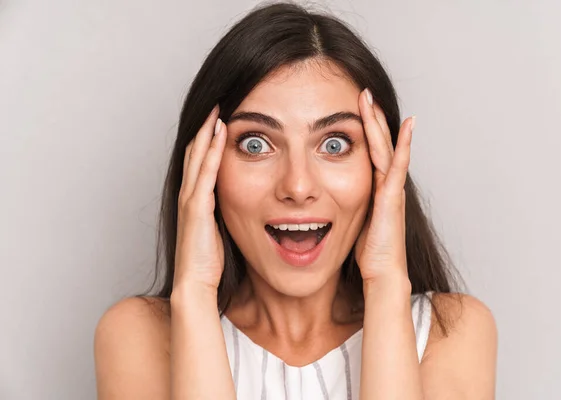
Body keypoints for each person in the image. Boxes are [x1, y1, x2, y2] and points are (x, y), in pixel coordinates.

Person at [94, 2, 497, 399]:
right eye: (256, 144)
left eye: (335, 144)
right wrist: (195, 292)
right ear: (204, 167)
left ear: (382, 166)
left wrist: (386, 283)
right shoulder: (139, 337)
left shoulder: (451, 331)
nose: (298, 185)